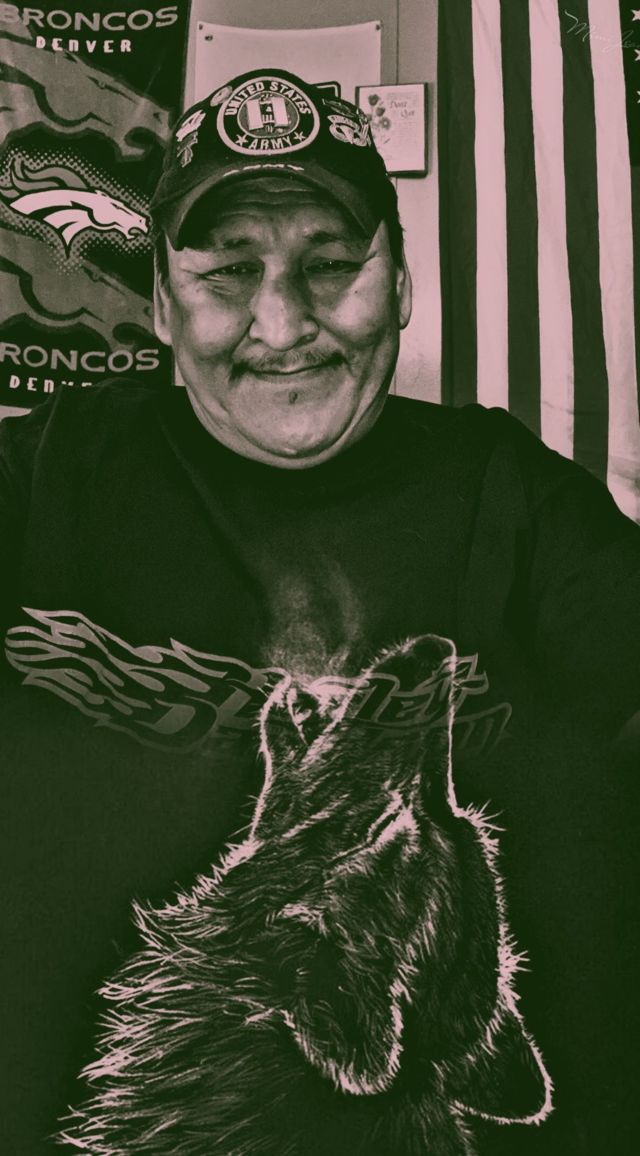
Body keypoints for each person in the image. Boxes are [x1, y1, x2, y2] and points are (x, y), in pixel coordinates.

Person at [0, 68, 638, 1155]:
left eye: (333, 264)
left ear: (401, 283)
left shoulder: (513, 495)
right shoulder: (47, 471)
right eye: (226, 271)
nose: (283, 323)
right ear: (161, 303)